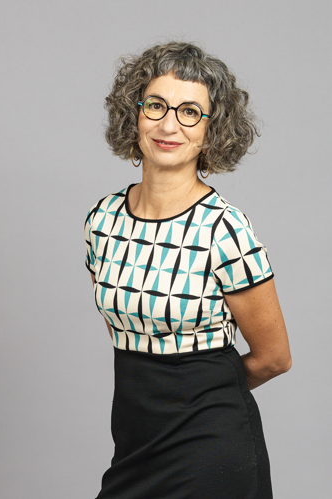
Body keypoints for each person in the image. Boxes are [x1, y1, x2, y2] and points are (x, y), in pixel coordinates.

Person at [84, 41, 291, 499]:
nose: (168, 125)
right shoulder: (103, 220)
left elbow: (274, 358)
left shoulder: (224, 229)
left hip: (209, 448)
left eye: (190, 112)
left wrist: (201, 397)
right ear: (134, 114)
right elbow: (131, 327)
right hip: (135, 443)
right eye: (156, 105)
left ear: (212, 131)